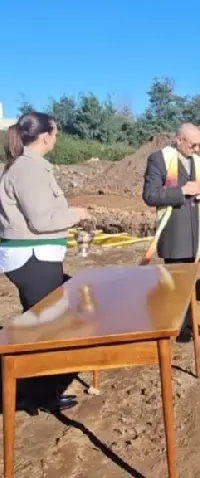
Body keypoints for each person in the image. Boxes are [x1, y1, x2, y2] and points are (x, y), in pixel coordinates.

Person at [0, 112, 90, 412]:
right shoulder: (29, 171)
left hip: (34, 257)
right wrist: (74, 215)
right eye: (56, 132)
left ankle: (34, 390)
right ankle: (36, 394)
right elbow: (41, 220)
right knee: (46, 327)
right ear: (45, 136)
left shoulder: (29, 168)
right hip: (34, 257)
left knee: (41, 322)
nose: (57, 137)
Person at [142, 123, 200, 342]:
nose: (197, 149)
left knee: (189, 283)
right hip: (175, 234)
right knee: (175, 285)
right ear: (179, 140)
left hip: (195, 234)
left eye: (199, 145)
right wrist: (182, 190)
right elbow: (150, 195)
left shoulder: (197, 162)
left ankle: (188, 323)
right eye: (193, 145)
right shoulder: (159, 159)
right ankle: (176, 327)